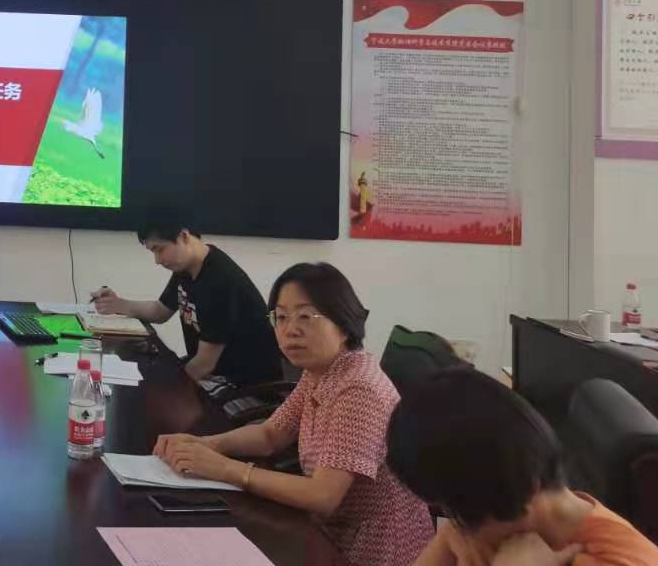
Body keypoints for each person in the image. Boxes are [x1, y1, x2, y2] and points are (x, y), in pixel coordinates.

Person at [153, 262, 433, 566]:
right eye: (282, 317)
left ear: (343, 324)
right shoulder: (322, 370)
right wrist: (205, 445)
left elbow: (323, 496)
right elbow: (270, 435)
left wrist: (225, 469)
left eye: (305, 316)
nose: (290, 330)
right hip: (330, 532)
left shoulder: (359, 389)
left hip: (373, 550)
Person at [387, 367, 658, 565]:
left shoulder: (619, 560)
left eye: (457, 510)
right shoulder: (494, 524)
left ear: (524, 487)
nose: (458, 526)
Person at [91, 220, 282, 384]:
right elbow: (160, 311)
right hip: (212, 372)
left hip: (242, 384)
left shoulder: (220, 281)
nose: (157, 260)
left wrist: (167, 390)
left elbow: (204, 365)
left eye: (160, 249)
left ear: (183, 236)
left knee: (148, 391)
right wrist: (118, 304)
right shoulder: (188, 267)